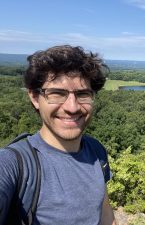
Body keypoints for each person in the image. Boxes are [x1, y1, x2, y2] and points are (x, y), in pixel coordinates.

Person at [0, 45, 116, 225]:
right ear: (34, 97)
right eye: (57, 93)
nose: (72, 107)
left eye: (83, 94)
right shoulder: (14, 164)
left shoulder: (96, 151)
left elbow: (104, 210)